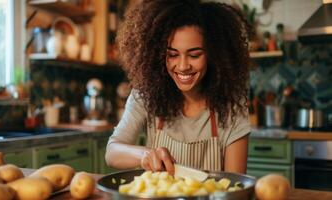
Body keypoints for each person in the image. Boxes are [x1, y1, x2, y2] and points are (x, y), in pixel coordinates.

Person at [105, 0, 251, 175]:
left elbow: (235, 184)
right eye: (172, 55)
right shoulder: (145, 96)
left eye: (194, 55)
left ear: (215, 54)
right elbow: (112, 152)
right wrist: (146, 155)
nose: (182, 66)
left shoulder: (232, 107)